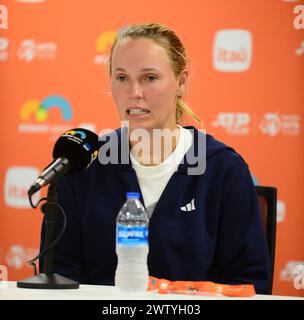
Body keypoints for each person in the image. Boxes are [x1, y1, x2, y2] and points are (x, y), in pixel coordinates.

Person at [39, 23, 270, 294]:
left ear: (181, 82)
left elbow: (248, 285)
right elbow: (59, 277)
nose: (134, 92)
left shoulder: (223, 169)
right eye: (122, 78)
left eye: (149, 77)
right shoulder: (84, 164)